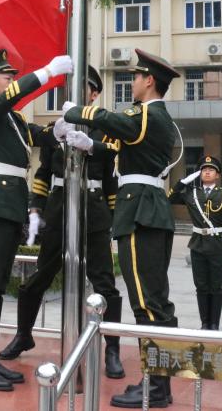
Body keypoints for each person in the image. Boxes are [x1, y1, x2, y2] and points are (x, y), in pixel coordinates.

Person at [62, 49, 180, 409]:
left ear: (150, 81)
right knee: (154, 299)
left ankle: (155, 387)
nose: (133, 82)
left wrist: (74, 111)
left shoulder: (147, 114)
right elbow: (119, 145)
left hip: (141, 209)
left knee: (147, 302)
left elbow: (112, 120)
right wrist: (90, 144)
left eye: (137, 76)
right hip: (147, 207)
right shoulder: (152, 119)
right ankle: (159, 382)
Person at [0, 65, 125, 379]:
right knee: (38, 277)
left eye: (83, 87)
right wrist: (36, 209)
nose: (75, 92)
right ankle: (24, 334)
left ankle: (112, 349)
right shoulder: (56, 128)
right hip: (58, 209)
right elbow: (43, 174)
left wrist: (113, 219)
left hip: (94, 210)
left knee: (104, 282)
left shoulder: (106, 127)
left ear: (94, 94)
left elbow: (112, 172)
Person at [0, 49, 72, 392]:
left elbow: (42, 136)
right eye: (5, 76)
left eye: (13, 75)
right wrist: (46, 73)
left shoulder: (15, 120)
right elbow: (11, 97)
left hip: (10, 203)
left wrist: (63, 127)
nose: (11, 79)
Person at [169, 155, 222, 330]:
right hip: (197, 245)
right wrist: (183, 182)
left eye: (211, 170)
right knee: (201, 286)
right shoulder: (191, 194)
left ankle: (214, 324)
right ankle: (205, 323)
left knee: (216, 287)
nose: (207, 172)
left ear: (217, 175)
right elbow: (169, 198)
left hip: (217, 245)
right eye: (204, 170)